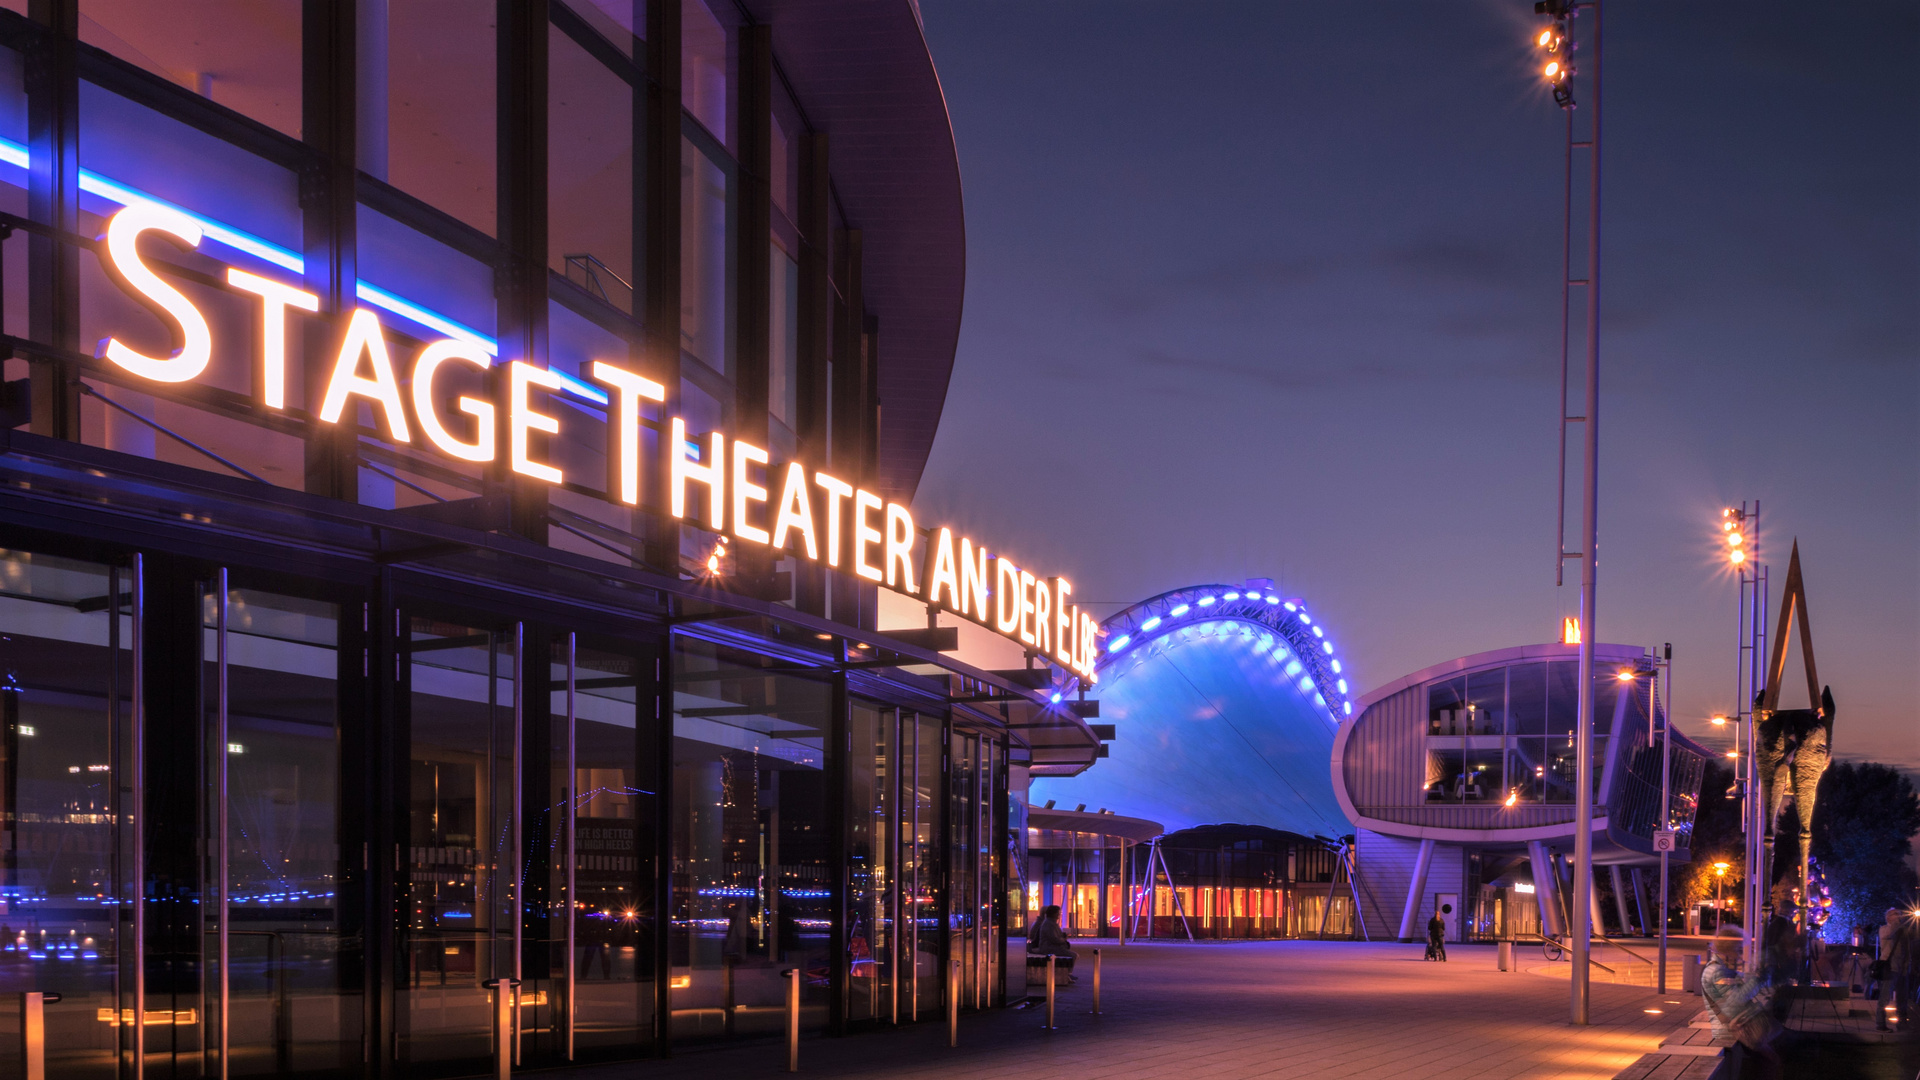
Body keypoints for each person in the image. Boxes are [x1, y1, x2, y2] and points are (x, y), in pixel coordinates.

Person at [1701, 926, 1783, 1080]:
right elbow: (1735, 1001)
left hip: (1738, 1024)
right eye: (1738, 950)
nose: (1740, 956)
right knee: (1773, 1060)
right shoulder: (1717, 971)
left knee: (1773, 1052)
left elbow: (1741, 981)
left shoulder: (1720, 968)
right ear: (1727, 949)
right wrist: (1757, 979)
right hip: (1736, 1027)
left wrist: (1756, 977)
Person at [1027, 904, 1077, 981]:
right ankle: (1067, 974)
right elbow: (1054, 939)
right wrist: (1063, 940)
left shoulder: (1051, 923)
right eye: (1058, 913)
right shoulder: (1048, 924)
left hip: (1050, 946)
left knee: (1073, 955)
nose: (1059, 915)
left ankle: (1067, 974)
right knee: (1073, 955)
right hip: (1049, 948)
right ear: (1053, 914)